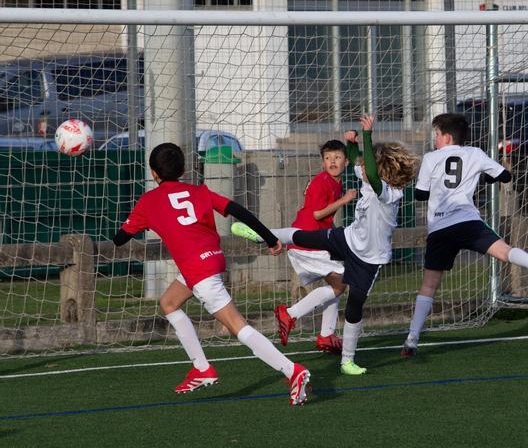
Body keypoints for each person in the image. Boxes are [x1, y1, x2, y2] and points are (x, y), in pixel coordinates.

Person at [113, 143, 310, 407]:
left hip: (199, 271)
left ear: (152, 172)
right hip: (212, 261)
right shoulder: (199, 191)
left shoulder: (148, 202)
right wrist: (270, 238)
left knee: (236, 326)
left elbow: (120, 239)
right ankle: (202, 368)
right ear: (183, 169)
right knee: (169, 302)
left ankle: (292, 371)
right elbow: (239, 211)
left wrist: (126, 226)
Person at [234, 115, 418, 375]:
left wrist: (367, 135)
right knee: (302, 236)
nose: (360, 167)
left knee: (354, 306)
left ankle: (347, 360)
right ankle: (261, 233)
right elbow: (358, 164)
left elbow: (373, 175)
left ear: (381, 170)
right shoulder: (366, 178)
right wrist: (352, 144)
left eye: (366, 164)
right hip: (348, 239)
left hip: (370, 258)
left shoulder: (387, 192)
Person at [401, 113, 528, 357]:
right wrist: (479, 176)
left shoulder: (431, 158)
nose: (435, 139)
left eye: (437, 135)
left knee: (429, 285)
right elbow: (505, 176)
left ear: (447, 136)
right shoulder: (475, 153)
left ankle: (411, 339)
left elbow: (420, 195)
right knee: (503, 252)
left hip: (440, 228)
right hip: (468, 221)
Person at [236, 139, 357, 353]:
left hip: (312, 239)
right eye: (327, 158)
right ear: (322, 162)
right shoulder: (323, 182)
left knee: (335, 285)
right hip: (309, 242)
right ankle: (290, 314)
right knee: (340, 284)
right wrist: (344, 200)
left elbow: (356, 161)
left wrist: (352, 141)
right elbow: (317, 214)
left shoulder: (334, 180)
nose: (332, 162)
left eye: (337, 157)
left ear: (345, 162)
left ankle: (327, 336)